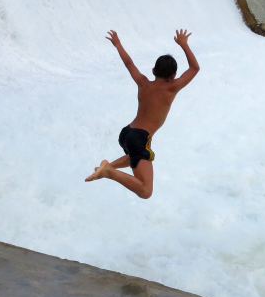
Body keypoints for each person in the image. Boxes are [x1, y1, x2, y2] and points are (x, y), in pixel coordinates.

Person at [85, 29, 199, 199]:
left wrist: (117, 44)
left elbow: (129, 63)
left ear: (153, 71)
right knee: (146, 191)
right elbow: (194, 68)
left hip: (127, 133)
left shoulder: (143, 83)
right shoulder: (172, 87)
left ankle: (107, 167)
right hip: (139, 137)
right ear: (174, 75)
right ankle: (109, 172)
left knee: (133, 156)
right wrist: (184, 44)